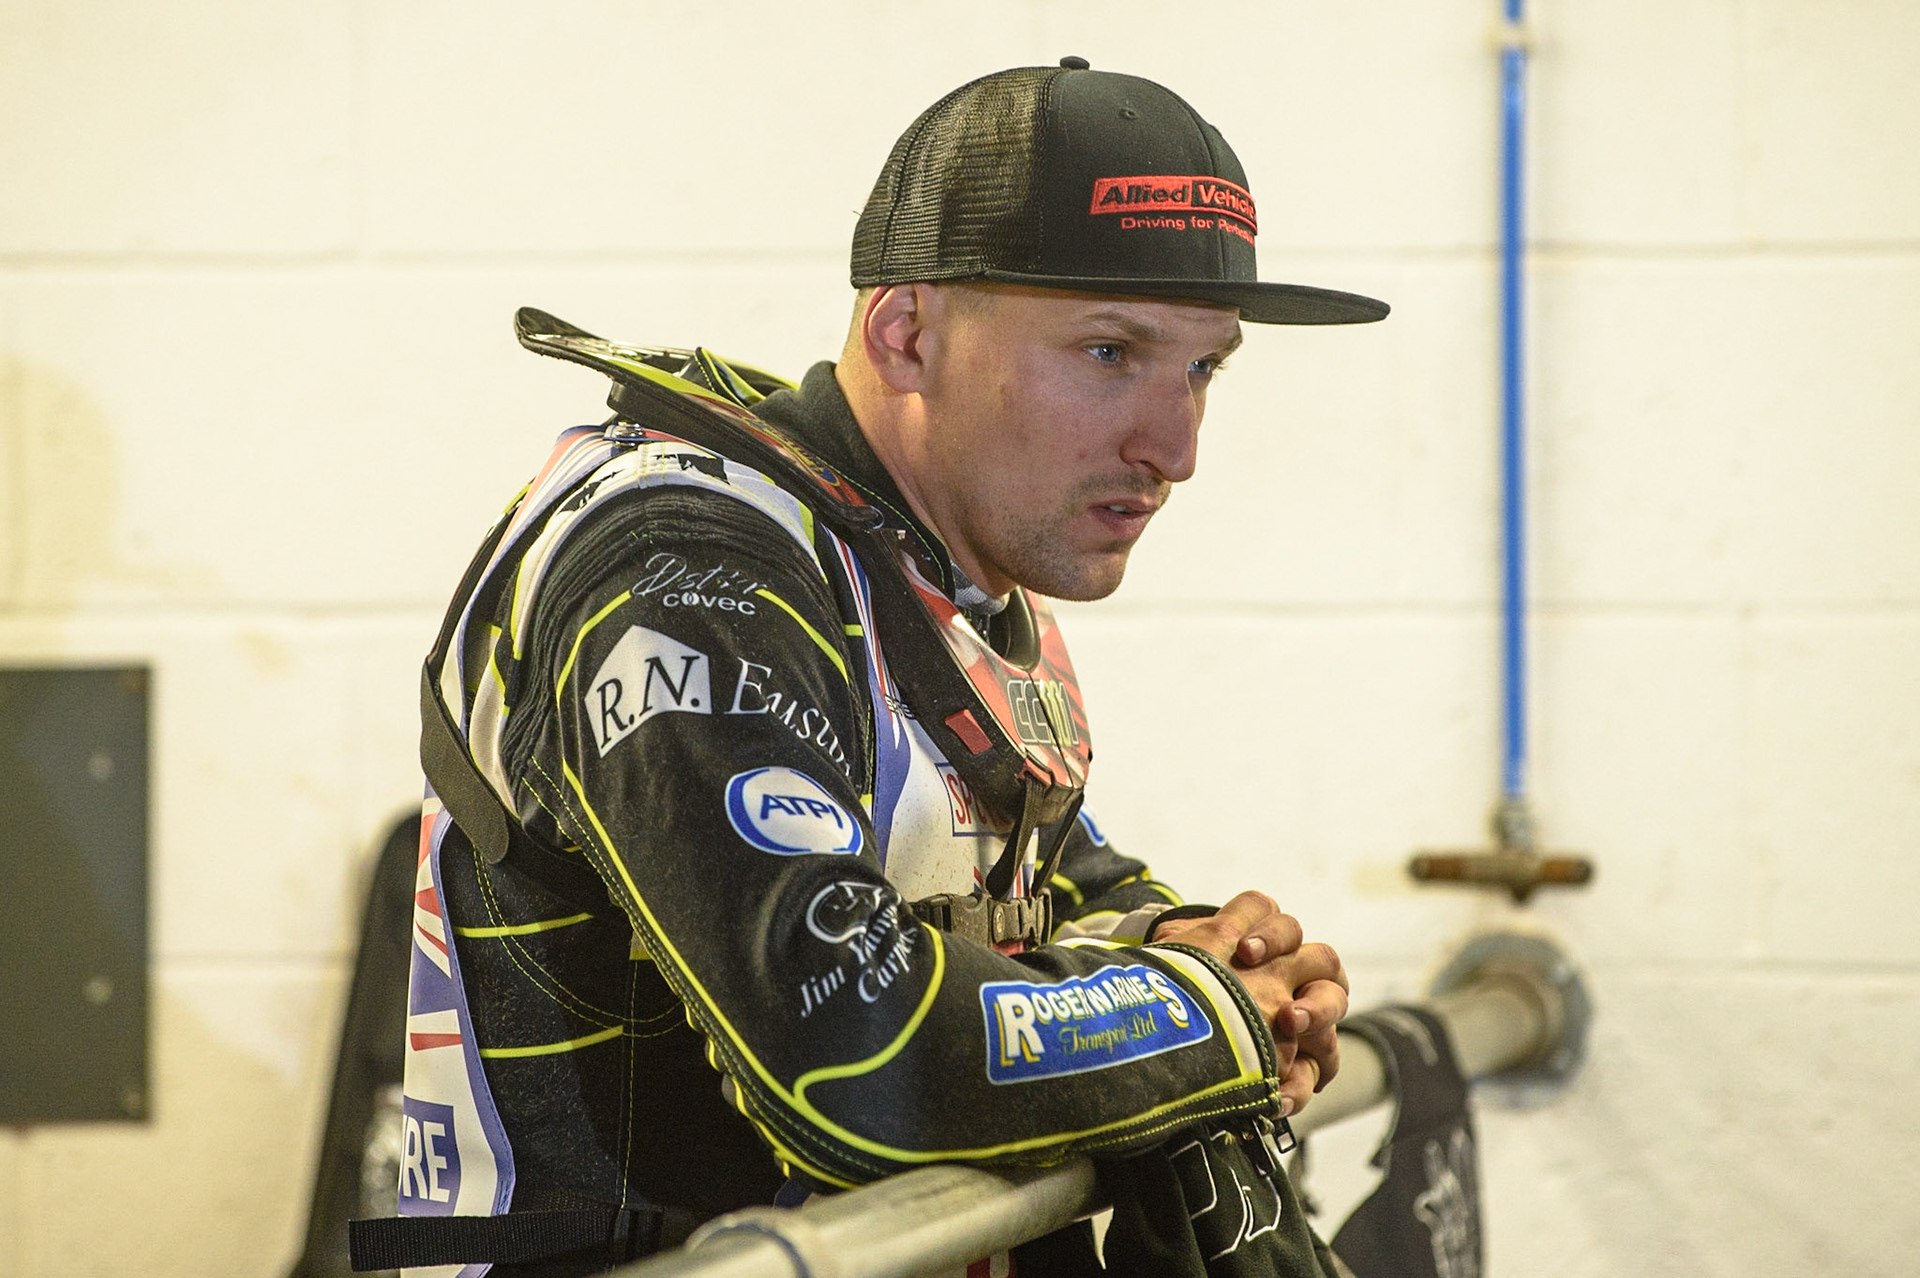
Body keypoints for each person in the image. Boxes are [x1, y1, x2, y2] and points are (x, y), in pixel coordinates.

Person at [356, 58, 1387, 1278]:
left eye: (1204, 369)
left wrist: (1207, 944)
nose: (1175, 446)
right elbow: (852, 1049)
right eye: (1111, 353)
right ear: (906, 334)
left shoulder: (927, 565)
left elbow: (1029, 878)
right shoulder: (681, 568)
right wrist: (1204, 1017)